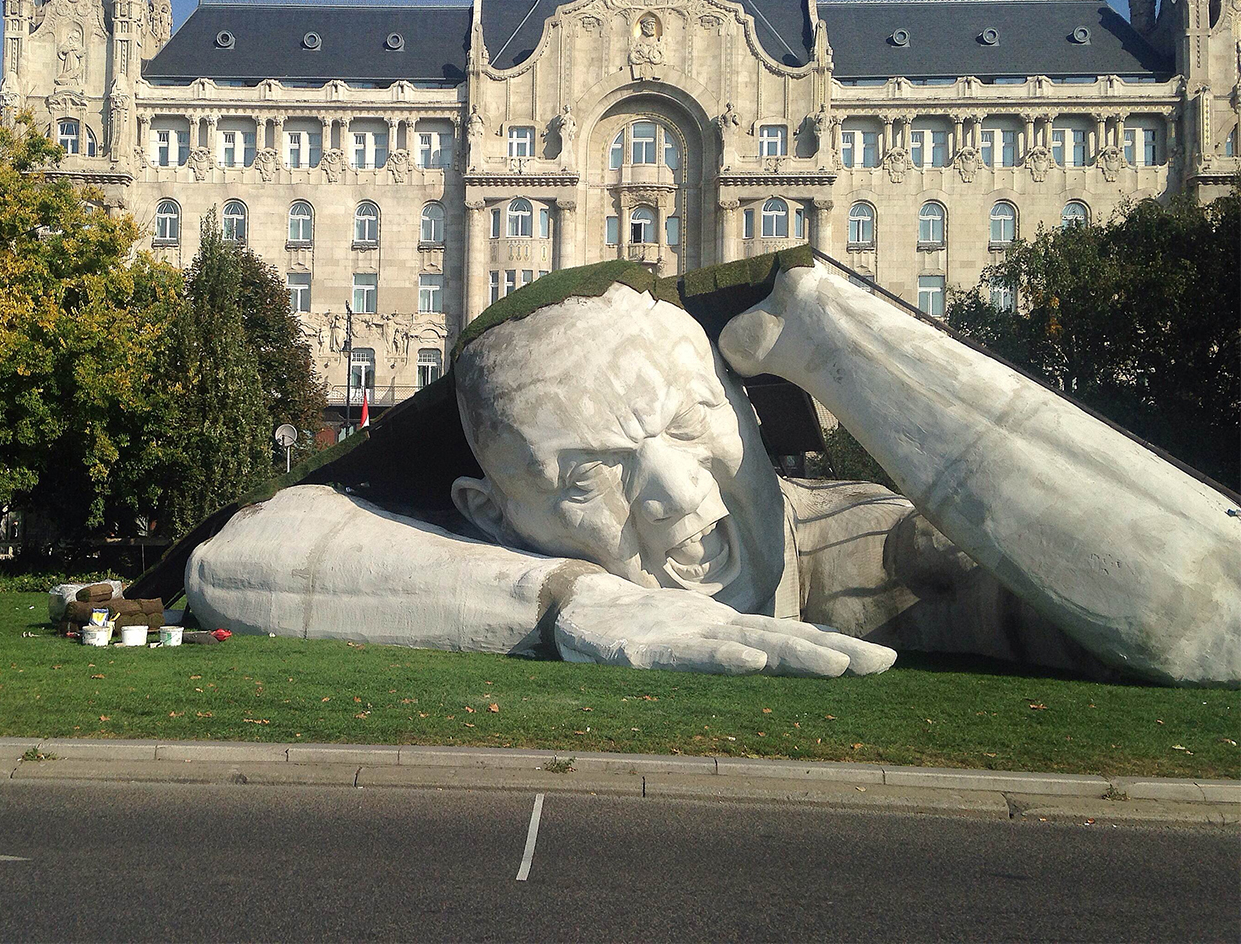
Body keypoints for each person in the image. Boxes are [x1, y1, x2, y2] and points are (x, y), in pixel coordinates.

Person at [161, 251, 1239, 685]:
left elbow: (1213, 610)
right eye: (587, 478)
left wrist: (856, 354)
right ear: (492, 515)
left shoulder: (870, 549)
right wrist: (569, 604)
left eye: (687, 418)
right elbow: (241, 553)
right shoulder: (498, 549)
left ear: (742, 401)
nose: (676, 493)